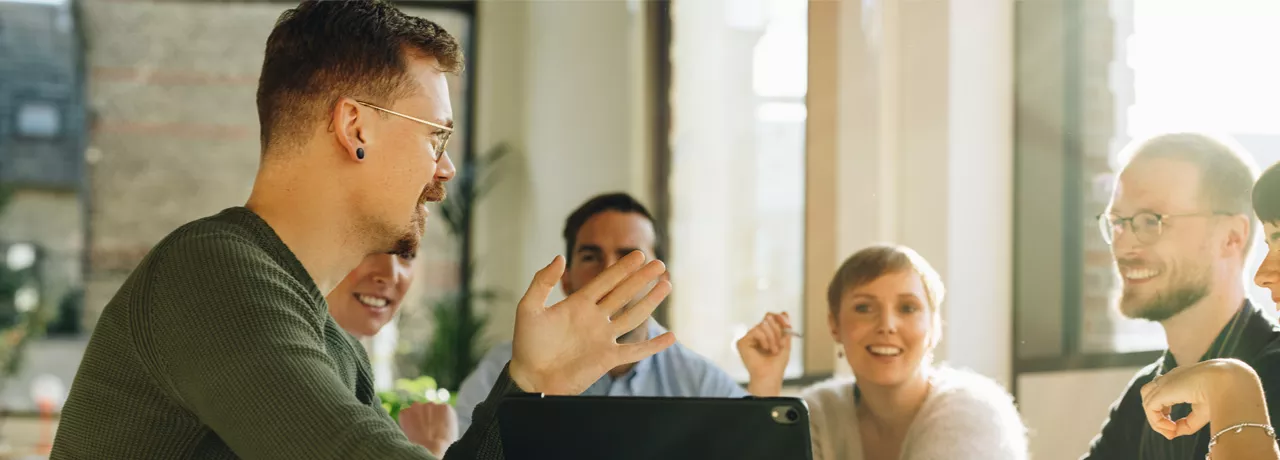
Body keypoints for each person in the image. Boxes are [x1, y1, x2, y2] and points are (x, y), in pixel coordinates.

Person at [50, 2, 674, 458]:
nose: (447, 169)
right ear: (356, 128)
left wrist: (531, 382)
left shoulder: (328, 340)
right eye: (436, 136)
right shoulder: (213, 275)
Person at [453, 192, 746, 433]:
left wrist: (765, 383)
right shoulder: (506, 369)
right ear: (566, 279)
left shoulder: (700, 382)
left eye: (630, 257)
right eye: (591, 256)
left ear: (658, 279)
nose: (610, 271)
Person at [1083, 133, 1280, 459]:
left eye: (1151, 220)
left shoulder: (1272, 375)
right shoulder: (1143, 395)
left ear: (1231, 237)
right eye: (1118, 223)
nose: (1125, 244)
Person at [738, 244, 1028, 460]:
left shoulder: (975, 412)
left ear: (934, 327)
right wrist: (766, 386)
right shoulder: (817, 413)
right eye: (864, 308)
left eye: (907, 308)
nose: (887, 325)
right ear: (834, 325)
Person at [1136, 160, 1280, 460]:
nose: (1262, 276)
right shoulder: (1150, 385)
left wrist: (1231, 386)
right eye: (1118, 223)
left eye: (1154, 221)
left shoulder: (1268, 370)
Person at [327, 252, 458, 457]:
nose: (391, 274)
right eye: (369, 250)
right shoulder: (297, 374)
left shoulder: (353, 379)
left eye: (407, 254)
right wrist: (432, 448)